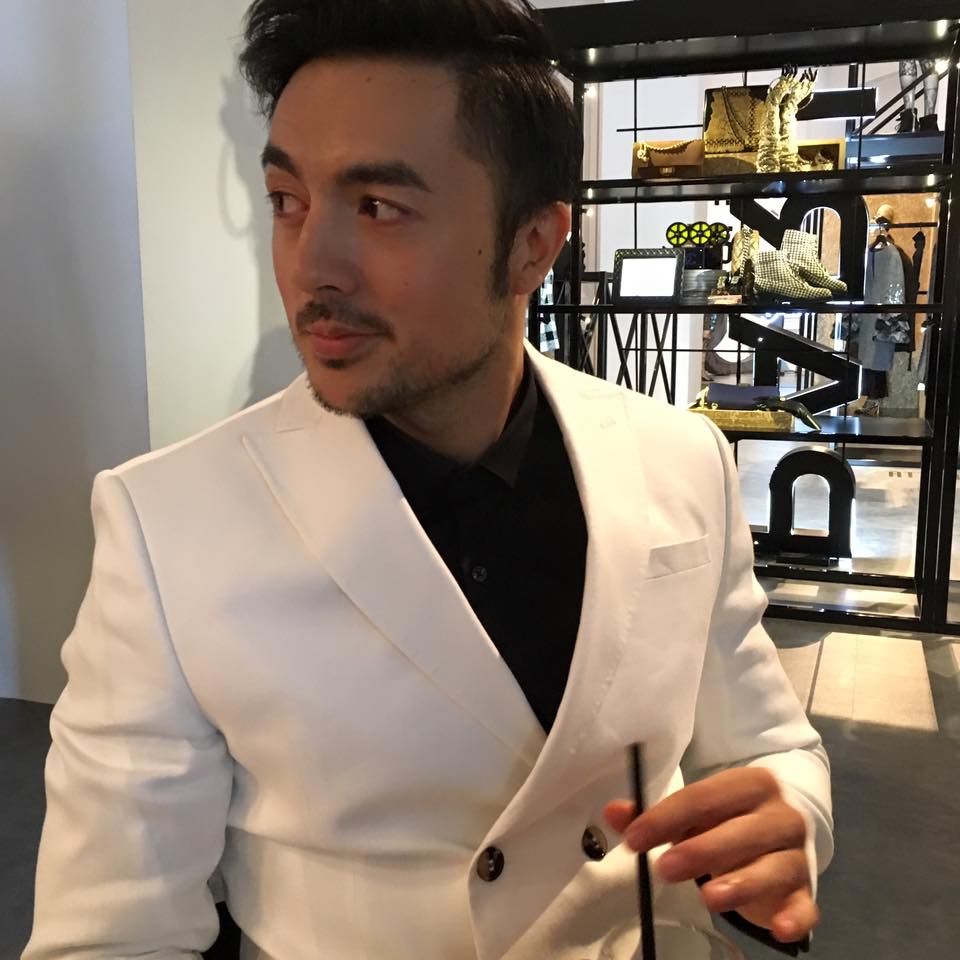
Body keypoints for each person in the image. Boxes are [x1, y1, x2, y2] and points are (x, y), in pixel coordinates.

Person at [22, 2, 833, 958]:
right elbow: (112, 931)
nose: (310, 266)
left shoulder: (678, 457)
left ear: (533, 245)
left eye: (379, 207)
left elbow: (769, 745)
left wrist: (789, 819)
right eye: (286, 200)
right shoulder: (168, 523)